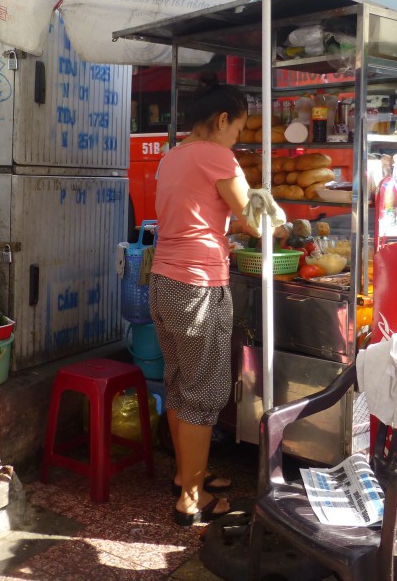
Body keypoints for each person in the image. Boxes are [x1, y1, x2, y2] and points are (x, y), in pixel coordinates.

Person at [148, 74, 260, 526]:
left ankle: (185, 475)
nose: (237, 138)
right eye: (237, 129)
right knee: (202, 393)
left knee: (179, 385)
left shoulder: (174, 157)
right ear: (221, 120)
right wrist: (279, 217)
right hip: (198, 287)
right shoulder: (218, 156)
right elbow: (253, 218)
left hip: (164, 282)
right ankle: (191, 500)